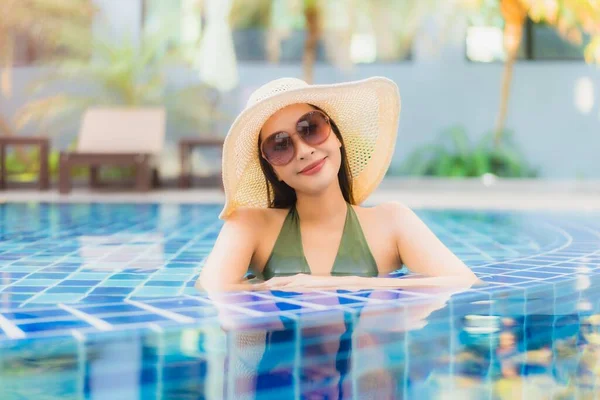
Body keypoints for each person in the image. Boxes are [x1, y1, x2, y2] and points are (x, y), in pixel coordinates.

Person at [196, 76, 478, 292]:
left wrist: (341, 284)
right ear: (274, 169)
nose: (304, 150)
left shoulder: (392, 222)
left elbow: (464, 281)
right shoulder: (250, 225)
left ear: (337, 137)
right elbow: (210, 292)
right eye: (280, 146)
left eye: (312, 128)